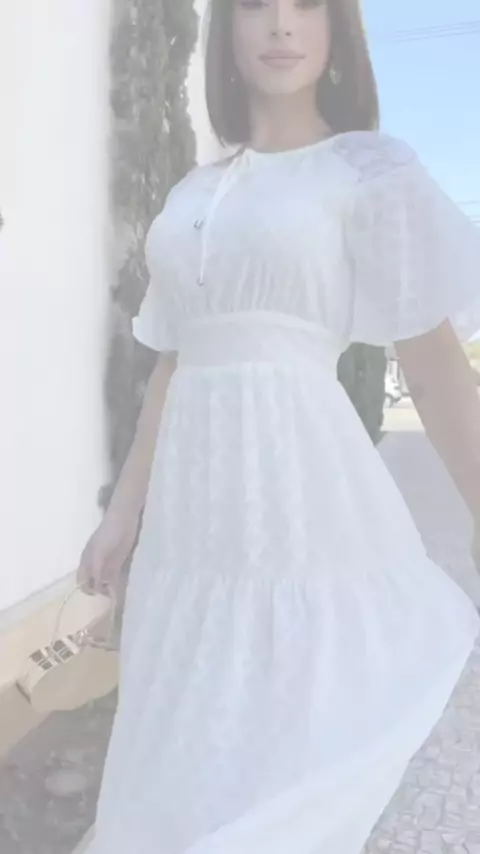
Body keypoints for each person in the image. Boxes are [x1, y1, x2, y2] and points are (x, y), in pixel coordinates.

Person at [78, 1, 480, 851]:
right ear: (227, 31)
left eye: (307, 4)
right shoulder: (192, 192)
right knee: (182, 737)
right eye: (257, 4)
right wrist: (123, 514)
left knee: (287, 744)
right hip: (190, 527)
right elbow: (174, 361)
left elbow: (434, 361)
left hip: (301, 507)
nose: (282, 25)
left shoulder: (367, 170)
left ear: (338, 30)